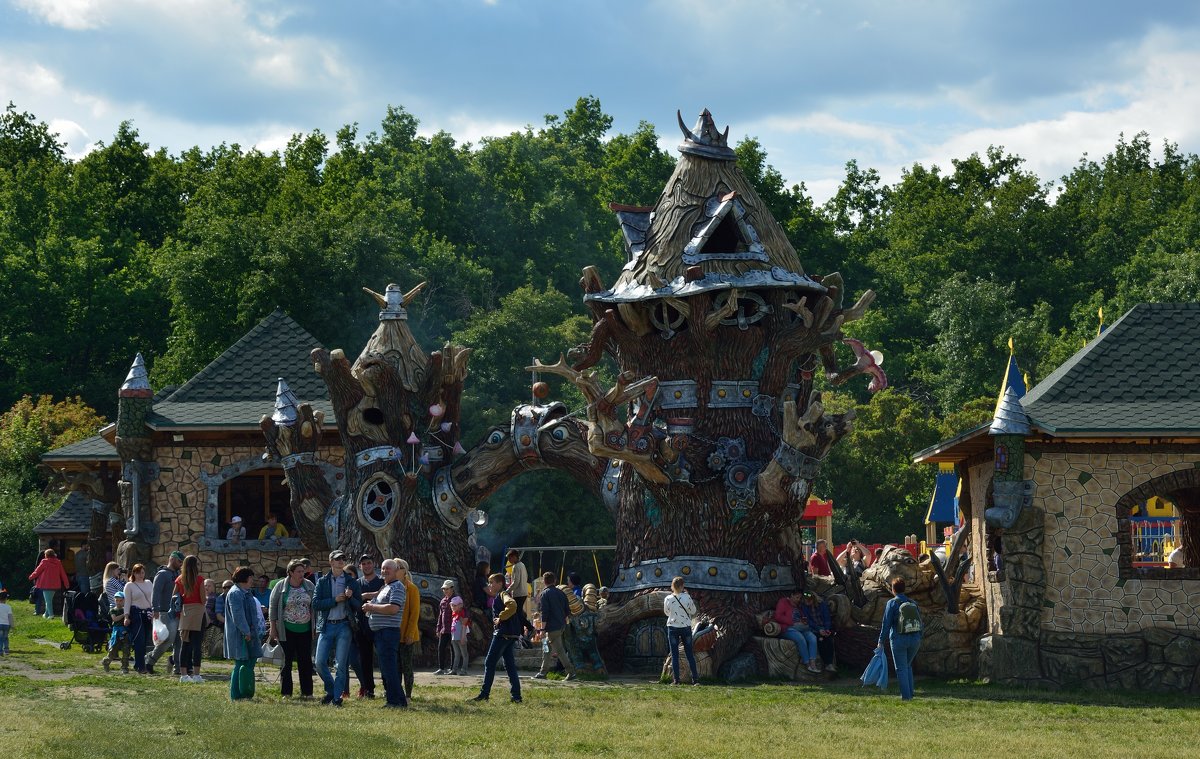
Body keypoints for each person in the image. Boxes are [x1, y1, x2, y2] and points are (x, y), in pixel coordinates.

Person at [313, 549, 360, 706]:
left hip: (344, 626)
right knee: (319, 662)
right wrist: (334, 600)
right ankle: (331, 690)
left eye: (343, 558)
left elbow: (359, 606)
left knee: (341, 664)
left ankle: (337, 697)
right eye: (338, 558)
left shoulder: (351, 582)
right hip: (326, 626)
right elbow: (316, 604)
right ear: (331, 562)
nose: (341, 561)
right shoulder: (322, 581)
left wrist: (350, 597)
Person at [362, 558, 408, 709]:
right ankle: (400, 701)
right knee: (388, 669)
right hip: (381, 633)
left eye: (388, 569)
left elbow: (393, 608)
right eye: (382, 568)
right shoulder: (386, 587)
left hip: (388, 633)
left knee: (389, 669)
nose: (384, 571)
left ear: (396, 571)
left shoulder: (398, 587)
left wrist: (371, 607)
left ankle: (393, 702)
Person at [470, 572, 523, 703]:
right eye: (489, 582)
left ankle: (484, 694)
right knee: (509, 665)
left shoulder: (503, 594)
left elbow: (513, 605)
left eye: (492, 582)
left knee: (489, 662)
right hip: (510, 635)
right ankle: (516, 696)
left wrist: (501, 617)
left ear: (500, 584)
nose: (490, 585)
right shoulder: (500, 595)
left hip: (502, 634)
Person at [268, 558, 315, 699]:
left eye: (303, 571)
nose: (302, 574)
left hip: (305, 630)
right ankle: (286, 693)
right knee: (286, 662)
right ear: (290, 572)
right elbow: (273, 606)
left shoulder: (309, 585)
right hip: (286, 630)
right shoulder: (281, 586)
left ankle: (307, 693)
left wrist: (315, 627)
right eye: (299, 571)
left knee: (305, 662)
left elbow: (315, 606)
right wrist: (273, 627)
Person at [878, 577, 922, 701]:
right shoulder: (913, 603)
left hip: (899, 639)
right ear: (904, 589)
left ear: (893, 590)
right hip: (915, 639)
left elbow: (886, 624)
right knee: (907, 665)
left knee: (901, 668)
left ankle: (906, 697)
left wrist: (881, 641)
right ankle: (911, 693)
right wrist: (919, 636)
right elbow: (920, 622)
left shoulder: (891, 603)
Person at [224, 566, 262, 700]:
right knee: (240, 664)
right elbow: (238, 616)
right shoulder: (235, 593)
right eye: (251, 577)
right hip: (240, 635)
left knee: (249, 663)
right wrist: (246, 632)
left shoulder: (246, 592)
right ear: (244, 578)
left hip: (250, 633)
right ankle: (236, 695)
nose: (253, 580)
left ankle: (246, 692)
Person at [532, 572, 577, 681]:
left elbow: (545, 613)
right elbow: (567, 610)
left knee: (559, 651)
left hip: (551, 627)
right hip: (561, 626)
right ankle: (543, 672)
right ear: (555, 581)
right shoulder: (561, 593)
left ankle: (571, 672)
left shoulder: (545, 594)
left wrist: (542, 629)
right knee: (546, 649)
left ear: (544, 581)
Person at [147, 550, 184, 675]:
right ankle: (150, 661)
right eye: (179, 561)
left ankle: (177, 667)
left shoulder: (178, 574)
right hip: (164, 611)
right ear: (172, 559)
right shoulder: (162, 574)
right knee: (167, 639)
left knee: (179, 641)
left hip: (177, 611)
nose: (180, 564)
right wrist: (155, 609)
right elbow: (155, 592)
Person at [353, 554, 384, 698]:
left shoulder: (382, 581)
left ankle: (388, 688)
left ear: (374, 564)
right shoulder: (357, 583)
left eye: (369, 563)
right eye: (364, 564)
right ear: (360, 566)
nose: (367, 566)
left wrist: (365, 595)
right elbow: (354, 602)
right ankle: (368, 690)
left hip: (379, 626)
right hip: (362, 627)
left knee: (384, 659)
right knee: (365, 660)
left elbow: (383, 594)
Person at [174, 555, 207, 683]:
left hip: (185, 613)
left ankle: (183, 675)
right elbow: (203, 600)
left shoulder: (179, 579)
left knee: (185, 644)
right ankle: (197, 675)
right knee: (197, 645)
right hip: (198, 612)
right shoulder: (199, 580)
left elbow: (174, 597)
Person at [663, 576, 699, 686]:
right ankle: (695, 680)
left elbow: (666, 612)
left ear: (672, 586)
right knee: (689, 654)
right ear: (682, 586)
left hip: (673, 627)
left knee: (674, 654)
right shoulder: (687, 597)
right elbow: (693, 611)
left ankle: (676, 680)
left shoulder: (668, 598)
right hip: (685, 627)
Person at [775, 590, 820, 673]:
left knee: (812, 637)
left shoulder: (799, 605)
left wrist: (803, 621)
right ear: (791, 595)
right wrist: (792, 622)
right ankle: (806, 663)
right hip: (788, 628)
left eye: (800, 598)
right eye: (797, 597)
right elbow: (778, 617)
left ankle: (813, 663)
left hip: (800, 627)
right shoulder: (783, 602)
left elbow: (803, 616)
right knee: (800, 638)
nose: (798, 599)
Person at [395, 559, 421, 699]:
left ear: (404, 571)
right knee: (396, 666)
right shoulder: (391, 586)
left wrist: (410, 633)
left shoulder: (412, 588)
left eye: (398, 567)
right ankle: (397, 692)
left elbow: (414, 613)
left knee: (406, 666)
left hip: (407, 635)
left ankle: (408, 695)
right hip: (394, 634)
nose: (396, 570)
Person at [123, 563, 154, 673]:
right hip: (136, 614)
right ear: (134, 573)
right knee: (139, 640)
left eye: (142, 572)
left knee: (146, 641)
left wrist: (154, 611)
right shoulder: (129, 585)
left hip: (148, 613)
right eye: (138, 572)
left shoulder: (149, 583)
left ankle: (142, 664)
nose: (140, 575)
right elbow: (127, 602)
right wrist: (126, 616)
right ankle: (140, 666)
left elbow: (152, 599)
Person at [28, 548, 70, 619]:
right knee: (49, 599)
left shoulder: (44, 562)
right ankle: (46, 614)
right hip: (55, 585)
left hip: (46, 584)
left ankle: (51, 615)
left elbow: (37, 571)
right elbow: (63, 574)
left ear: (46, 555)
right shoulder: (58, 562)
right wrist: (66, 583)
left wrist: (30, 577)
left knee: (48, 601)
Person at [802, 591, 836, 672]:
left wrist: (827, 629)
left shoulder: (822, 605)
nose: (807, 602)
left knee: (829, 640)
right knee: (821, 640)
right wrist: (818, 629)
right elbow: (809, 621)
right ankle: (826, 663)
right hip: (814, 628)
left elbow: (826, 618)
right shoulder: (804, 607)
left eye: (809, 601)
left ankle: (830, 663)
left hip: (824, 627)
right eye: (806, 600)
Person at [505, 549, 534, 637]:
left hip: (518, 593)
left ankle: (530, 627)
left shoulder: (516, 566)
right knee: (519, 613)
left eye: (510, 558)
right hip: (524, 592)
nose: (509, 560)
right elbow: (526, 577)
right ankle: (521, 633)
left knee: (517, 614)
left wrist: (507, 591)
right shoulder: (522, 565)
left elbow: (515, 582)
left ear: (514, 557)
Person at [100, 590, 130, 672]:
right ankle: (106, 662)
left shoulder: (126, 610)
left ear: (124, 600)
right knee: (112, 650)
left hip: (125, 633)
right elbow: (115, 619)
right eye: (117, 600)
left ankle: (124, 667)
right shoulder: (113, 610)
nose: (118, 602)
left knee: (126, 650)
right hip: (116, 633)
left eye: (120, 600)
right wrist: (124, 614)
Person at [435, 579, 455, 675]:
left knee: (453, 648)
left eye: (447, 589)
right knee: (441, 648)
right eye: (444, 589)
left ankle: (452, 668)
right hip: (444, 629)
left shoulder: (457, 600)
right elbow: (440, 615)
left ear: (452, 589)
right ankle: (441, 668)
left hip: (453, 629)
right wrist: (438, 628)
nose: (445, 591)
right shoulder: (442, 601)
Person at [450, 595, 470, 675]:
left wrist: (463, 637)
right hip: (454, 638)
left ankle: (464, 670)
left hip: (461, 638)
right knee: (456, 654)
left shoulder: (462, 614)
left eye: (455, 605)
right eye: (452, 605)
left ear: (460, 605)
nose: (453, 607)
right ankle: (454, 670)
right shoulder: (454, 614)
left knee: (464, 654)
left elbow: (464, 626)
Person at [0, 590, 12, 656]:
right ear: (6, 599)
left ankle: (0, 651)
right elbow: (10, 617)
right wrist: (12, 625)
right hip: (6, 625)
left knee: (0, 638)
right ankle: (6, 650)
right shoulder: (8, 607)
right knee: (5, 637)